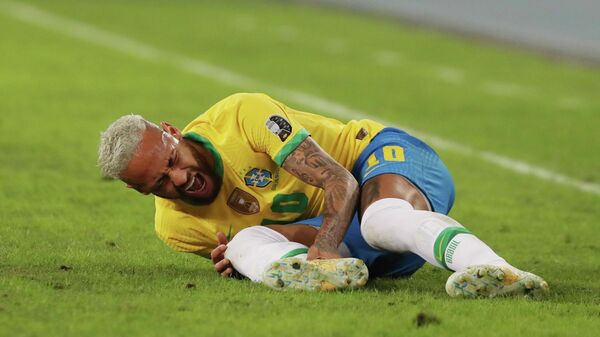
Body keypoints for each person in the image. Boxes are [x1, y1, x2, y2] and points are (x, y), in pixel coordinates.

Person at [98, 93, 548, 297]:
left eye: (172, 163)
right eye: (157, 184)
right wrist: (237, 265)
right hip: (367, 251)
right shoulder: (175, 228)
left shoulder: (240, 117)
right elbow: (277, 238)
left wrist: (327, 245)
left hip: (380, 163)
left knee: (380, 218)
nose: (177, 182)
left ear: (174, 134)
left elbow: (341, 182)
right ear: (140, 191)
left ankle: (496, 271)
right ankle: (302, 277)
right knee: (242, 244)